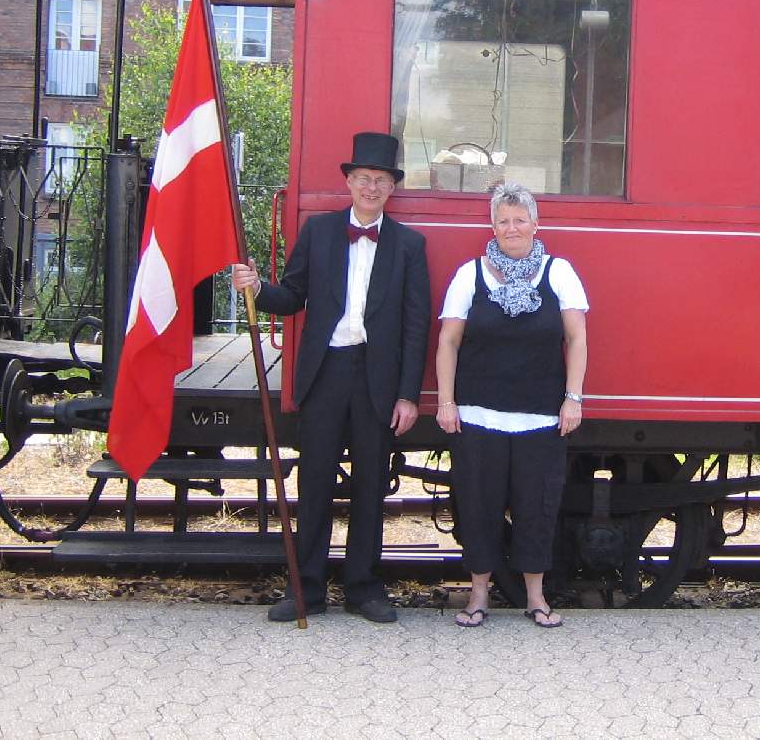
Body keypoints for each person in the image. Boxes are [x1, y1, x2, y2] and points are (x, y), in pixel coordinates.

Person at [233, 132, 430, 624]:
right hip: (325, 374)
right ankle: (307, 589)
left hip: (376, 378)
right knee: (315, 483)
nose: (370, 187)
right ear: (349, 181)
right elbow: (293, 297)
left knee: (370, 486)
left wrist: (408, 394)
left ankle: (364, 588)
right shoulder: (319, 232)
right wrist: (258, 287)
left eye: (380, 180)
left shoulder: (409, 245)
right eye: (363, 178)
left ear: (391, 188)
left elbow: (415, 324)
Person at [435, 182, 587, 628]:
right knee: (478, 508)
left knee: (536, 509)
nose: (512, 227)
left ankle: (535, 598)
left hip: (541, 417)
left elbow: (576, 338)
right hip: (478, 416)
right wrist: (447, 402)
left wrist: (572, 398)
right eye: (503, 220)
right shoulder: (470, 274)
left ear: (536, 225)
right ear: (493, 225)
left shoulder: (559, 272)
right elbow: (448, 340)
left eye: (520, 219)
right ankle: (477, 597)